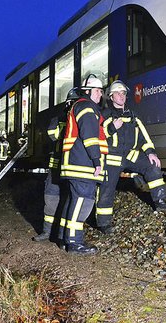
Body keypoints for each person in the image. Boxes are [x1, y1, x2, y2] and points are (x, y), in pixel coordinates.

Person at [96, 80, 166, 234]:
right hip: (111, 157)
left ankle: (160, 200)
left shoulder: (133, 116)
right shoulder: (104, 115)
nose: (121, 96)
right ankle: (103, 223)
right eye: (118, 93)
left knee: (152, 165)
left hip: (130, 155)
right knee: (107, 189)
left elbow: (144, 137)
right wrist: (112, 127)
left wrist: (151, 152)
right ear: (111, 97)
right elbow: (97, 136)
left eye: (124, 93)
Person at [59, 76, 108, 255]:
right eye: (98, 91)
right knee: (82, 201)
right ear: (88, 91)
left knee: (76, 201)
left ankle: (66, 238)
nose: (100, 95)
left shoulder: (83, 106)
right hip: (82, 164)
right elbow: (89, 137)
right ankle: (74, 242)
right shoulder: (87, 107)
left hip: (78, 162)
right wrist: (97, 161)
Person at [32, 88, 79, 242]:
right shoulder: (59, 117)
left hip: (72, 166)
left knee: (69, 200)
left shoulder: (82, 117)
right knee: (51, 199)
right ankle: (47, 232)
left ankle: (61, 235)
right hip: (56, 166)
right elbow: (52, 135)